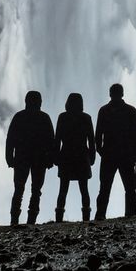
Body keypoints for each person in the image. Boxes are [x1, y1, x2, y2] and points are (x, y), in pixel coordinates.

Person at [5, 91, 54, 225]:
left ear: (26, 101)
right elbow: (51, 141)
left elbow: (10, 139)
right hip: (40, 159)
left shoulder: (19, 117)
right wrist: (50, 159)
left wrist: (9, 157)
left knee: (19, 189)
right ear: (39, 102)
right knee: (36, 190)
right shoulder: (44, 118)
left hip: (22, 158)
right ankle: (31, 220)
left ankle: (14, 220)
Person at [94, 84, 136, 220]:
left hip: (109, 154)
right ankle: (130, 214)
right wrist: (134, 154)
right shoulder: (131, 111)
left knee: (105, 187)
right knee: (129, 188)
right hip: (125, 154)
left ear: (110, 94)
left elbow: (98, 134)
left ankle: (100, 215)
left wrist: (101, 150)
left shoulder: (104, 111)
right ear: (122, 94)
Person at [54, 93, 95, 222]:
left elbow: (57, 139)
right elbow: (91, 141)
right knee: (84, 189)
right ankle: (86, 218)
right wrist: (92, 157)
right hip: (82, 156)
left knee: (63, 189)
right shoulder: (86, 118)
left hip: (66, 155)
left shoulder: (63, 117)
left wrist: (56, 157)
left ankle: (59, 218)